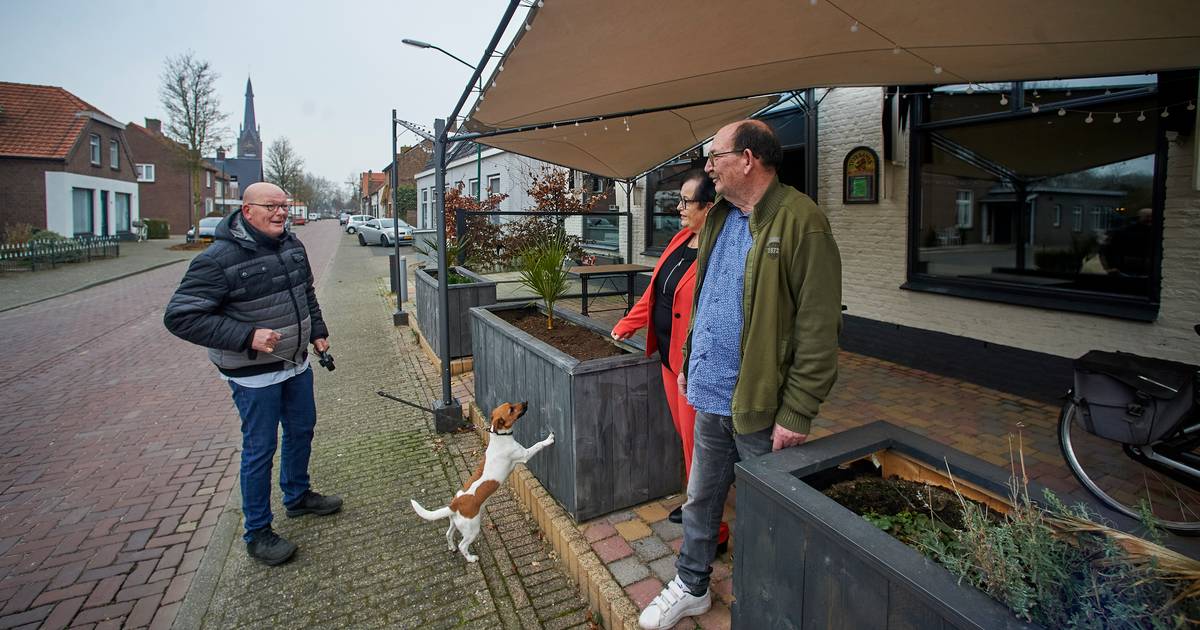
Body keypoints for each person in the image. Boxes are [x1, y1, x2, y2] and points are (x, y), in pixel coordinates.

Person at [638, 120, 842, 629]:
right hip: (710, 392)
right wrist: (690, 361)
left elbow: (819, 328)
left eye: (715, 156)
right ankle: (692, 585)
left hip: (761, 405)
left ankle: (769, 601)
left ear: (747, 159)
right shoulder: (720, 218)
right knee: (700, 499)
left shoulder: (803, 222)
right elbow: (705, 299)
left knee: (768, 513)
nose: (708, 166)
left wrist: (798, 410)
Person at [164, 182, 342, 566]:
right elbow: (181, 317)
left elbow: (306, 292)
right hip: (253, 375)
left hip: (295, 363)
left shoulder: (292, 245)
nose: (281, 212)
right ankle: (257, 532)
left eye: (284, 206)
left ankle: (297, 496)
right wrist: (247, 336)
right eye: (271, 206)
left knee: (301, 430)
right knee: (260, 448)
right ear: (247, 210)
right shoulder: (217, 259)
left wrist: (317, 331)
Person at [611, 170, 727, 546]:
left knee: (698, 446)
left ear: (708, 207)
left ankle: (713, 530)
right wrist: (628, 324)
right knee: (685, 437)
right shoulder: (680, 239)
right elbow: (656, 292)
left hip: (694, 368)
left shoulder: (719, 251)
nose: (678, 208)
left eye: (685, 202)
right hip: (667, 358)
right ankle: (697, 503)